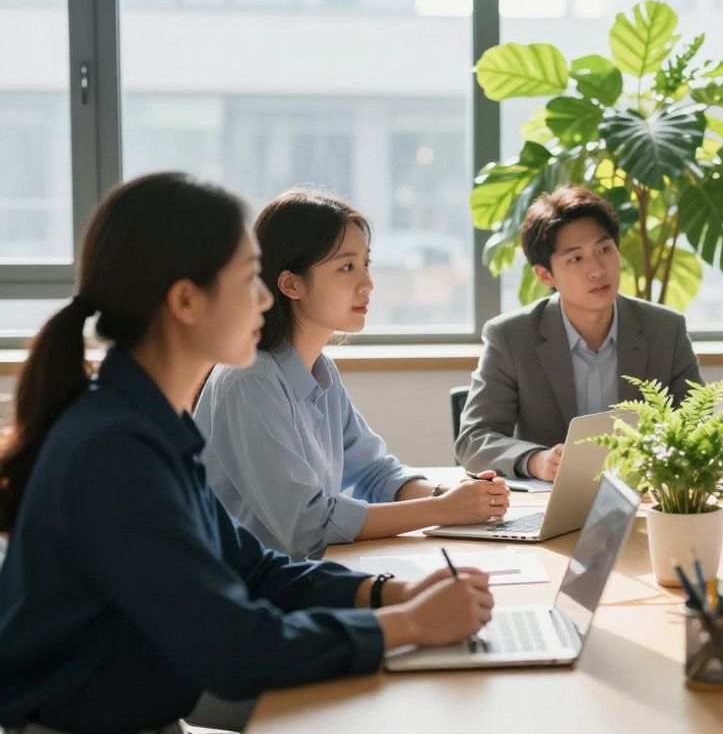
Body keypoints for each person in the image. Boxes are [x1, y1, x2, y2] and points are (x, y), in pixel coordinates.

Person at [0, 173, 493, 733]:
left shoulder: (151, 423)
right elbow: (235, 648)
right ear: (186, 300)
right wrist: (409, 624)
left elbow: (255, 569)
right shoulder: (115, 451)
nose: (264, 298)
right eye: (246, 279)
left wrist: (394, 593)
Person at [194, 189, 508, 561]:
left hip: (309, 574)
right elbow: (308, 527)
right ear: (291, 284)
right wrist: (444, 510)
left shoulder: (319, 369)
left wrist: (452, 496)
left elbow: (374, 472)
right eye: (346, 267)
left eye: (365, 264)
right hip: (252, 587)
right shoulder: (250, 380)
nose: (367, 283)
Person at [457, 185, 702, 480]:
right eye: (576, 258)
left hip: (644, 494)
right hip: (552, 498)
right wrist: (536, 460)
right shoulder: (510, 337)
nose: (597, 270)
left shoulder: (665, 330)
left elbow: (698, 424)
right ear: (545, 275)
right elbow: (474, 438)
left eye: (604, 250)